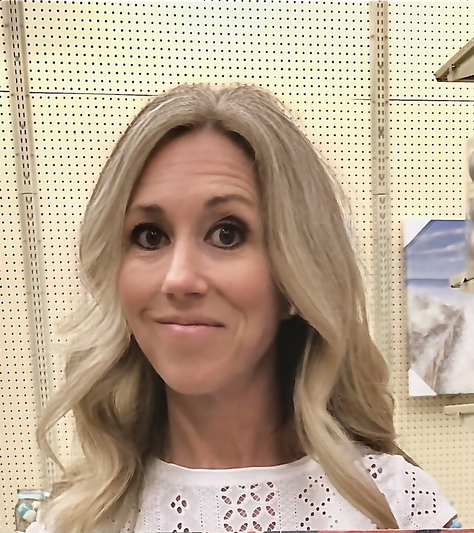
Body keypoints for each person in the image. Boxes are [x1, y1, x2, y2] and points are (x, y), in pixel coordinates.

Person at [32, 83, 457, 533]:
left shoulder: (400, 505)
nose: (178, 279)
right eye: (150, 236)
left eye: (227, 234)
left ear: (295, 276)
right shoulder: (73, 521)